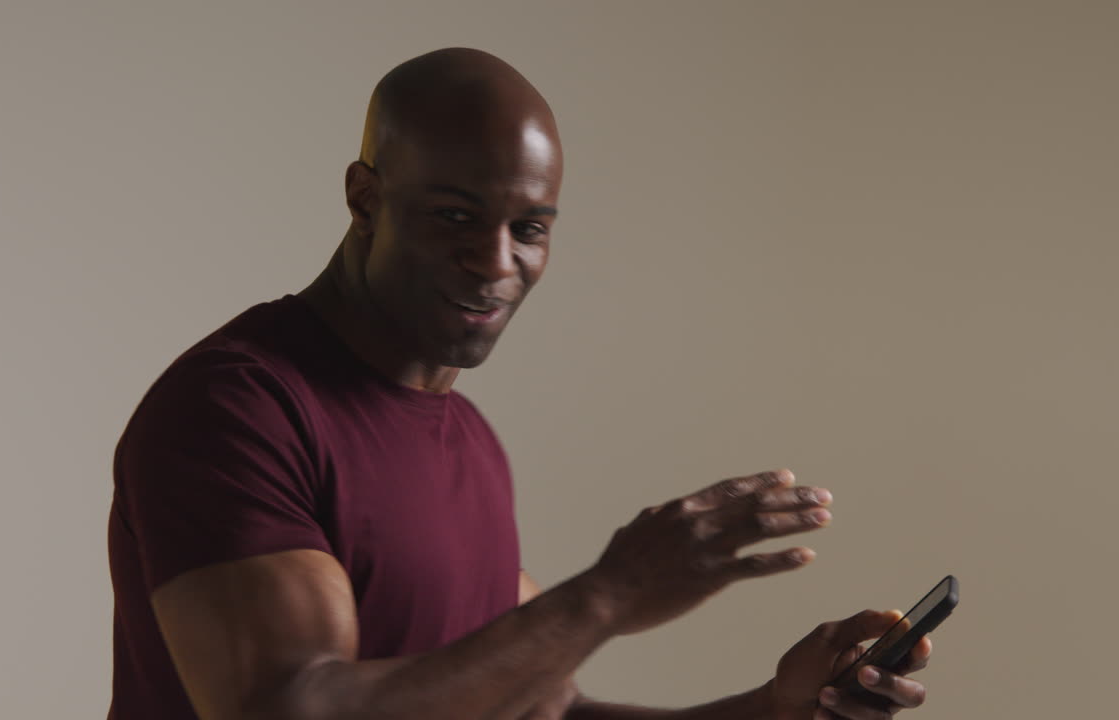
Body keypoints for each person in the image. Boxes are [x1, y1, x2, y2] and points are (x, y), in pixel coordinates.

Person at [107, 47, 934, 720]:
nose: (498, 262)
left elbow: (537, 709)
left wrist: (773, 710)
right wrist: (610, 595)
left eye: (528, 229)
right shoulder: (239, 407)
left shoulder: (468, 441)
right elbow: (289, 712)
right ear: (366, 200)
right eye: (456, 218)